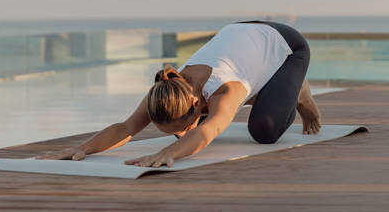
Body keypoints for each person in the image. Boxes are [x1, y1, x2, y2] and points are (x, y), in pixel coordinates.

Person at [37, 20, 321, 168]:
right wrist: (82, 148)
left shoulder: (225, 89)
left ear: (197, 103)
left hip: (285, 44)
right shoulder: (167, 91)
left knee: (264, 131)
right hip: (243, 41)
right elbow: (126, 127)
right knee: (184, 134)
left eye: (186, 125)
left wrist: (169, 152)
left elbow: (208, 132)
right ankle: (265, 85)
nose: (181, 135)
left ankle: (298, 89)